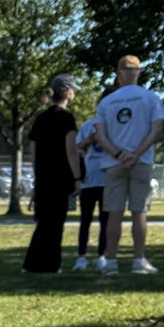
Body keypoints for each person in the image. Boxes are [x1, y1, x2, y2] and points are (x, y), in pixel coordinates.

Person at [94, 55, 164, 276]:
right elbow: (156, 129)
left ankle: (112, 262)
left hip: (114, 163)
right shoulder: (151, 98)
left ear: (118, 74)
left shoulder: (107, 102)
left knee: (114, 214)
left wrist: (118, 154)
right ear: (138, 72)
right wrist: (135, 154)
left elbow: (100, 135)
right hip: (141, 161)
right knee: (139, 212)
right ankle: (138, 260)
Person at [22, 75, 80, 274]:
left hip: (44, 177)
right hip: (61, 177)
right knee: (55, 224)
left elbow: (33, 152)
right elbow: (71, 152)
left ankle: (33, 263)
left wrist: (37, 179)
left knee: (43, 222)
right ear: (68, 93)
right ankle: (51, 264)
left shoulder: (40, 119)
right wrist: (78, 178)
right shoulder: (67, 119)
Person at [72, 104, 109, 271]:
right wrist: (89, 139)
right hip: (89, 181)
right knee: (85, 220)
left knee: (105, 221)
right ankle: (81, 257)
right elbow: (75, 148)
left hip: (107, 180)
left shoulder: (114, 125)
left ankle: (102, 256)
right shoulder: (88, 125)